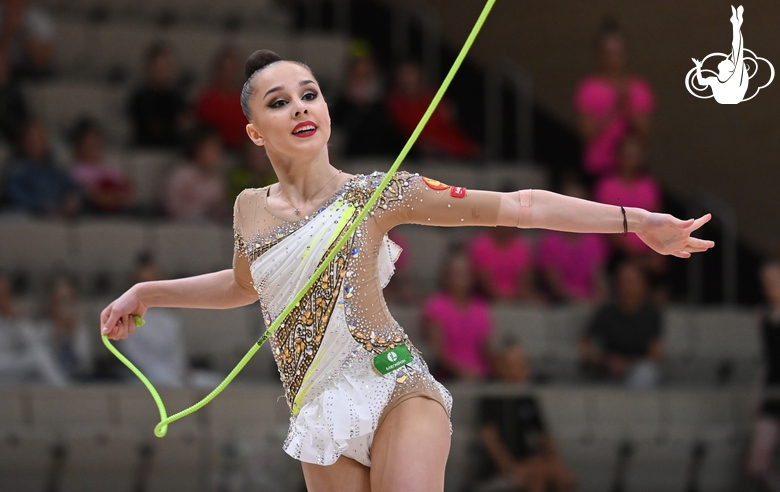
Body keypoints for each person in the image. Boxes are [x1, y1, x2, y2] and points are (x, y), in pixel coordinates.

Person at [100, 49, 713, 491]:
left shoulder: (380, 193)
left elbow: (521, 206)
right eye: (279, 102)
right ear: (255, 131)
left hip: (394, 384)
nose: (301, 108)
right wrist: (148, 292)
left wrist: (636, 220)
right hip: (316, 406)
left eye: (310, 93)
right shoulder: (249, 209)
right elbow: (242, 285)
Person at [476, 342, 576, 492]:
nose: (522, 369)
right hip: (501, 467)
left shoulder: (526, 395)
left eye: (523, 364)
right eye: (514, 364)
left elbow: (544, 436)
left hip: (529, 460)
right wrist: (511, 469)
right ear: (502, 367)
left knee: (562, 477)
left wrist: (556, 463)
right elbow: (490, 439)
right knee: (536, 478)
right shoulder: (492, 396)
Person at [574, 17, 655, 178]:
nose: (613, 59)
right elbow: (586, 133)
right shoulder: (588, 87)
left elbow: (645, 131)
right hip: (598, 170)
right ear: (599, 54)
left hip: (632, 171)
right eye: (608, 53)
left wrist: (628, 107)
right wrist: (613, 109)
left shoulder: (638, 86)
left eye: (618, 52)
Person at [579, 260, 663, 388]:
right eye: (624, 281)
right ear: (617, 283)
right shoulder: (606, 312)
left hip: (637, 368)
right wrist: (604, 361)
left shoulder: (651, 314)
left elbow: (654, 354)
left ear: (644, 284)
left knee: (645, 372)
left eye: (633, 282)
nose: (628, 287)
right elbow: (585, 343)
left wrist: (626, 364)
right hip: (608, 370)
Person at [420, 247, 494, 381]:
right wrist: (462, 372)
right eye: (456, 273)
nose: (460, 278)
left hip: (481, 376)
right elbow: (438, 351)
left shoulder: (480, 307)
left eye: (464, 272)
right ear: (446, 275)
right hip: (448, 377)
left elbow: (486, 350)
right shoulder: (436, 305)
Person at [386, 60, 479, 159]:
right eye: (403, 74)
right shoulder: (394, 103)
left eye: (410, 74)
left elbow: (448, 126)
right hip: (416, 156)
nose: (407, 79)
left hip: (453, 152)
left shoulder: (434, 97)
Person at [537, 178, 609, 304]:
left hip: (589, 304)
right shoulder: (551, 241)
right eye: (569, 205)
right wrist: (579, 300)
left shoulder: (594, 241)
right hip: (560, 305)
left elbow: (598, 280)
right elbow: (555, 285)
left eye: (578, 204)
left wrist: (596, 299)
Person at [745, 260, 780, 491]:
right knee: (757, 465)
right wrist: (758, 392)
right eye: (765, 283)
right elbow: (768, 361)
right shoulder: (764, 317)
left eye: (774, 281)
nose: (769, 287)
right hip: (772, 391)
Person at [330, 54, 405, 157]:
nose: (362, 81)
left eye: (366, 75)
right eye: (357, 75)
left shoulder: (388, 104)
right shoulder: (340, 106)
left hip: (386, 161)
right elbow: (334, 138)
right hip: (350, 165)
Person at [0, 271, 66, 385]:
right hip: (3, 367)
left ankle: (65, 392)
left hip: (8, 372)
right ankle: (68, 394)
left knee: (41, 355)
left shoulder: (8, 318)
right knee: (38, 357)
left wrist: (16, 319)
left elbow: (32, 340)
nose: (5, 298)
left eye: (7, 293)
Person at [3, 119, 81, 216]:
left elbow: (72, 187)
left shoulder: (53, 169)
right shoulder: (18, 171)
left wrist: (71, 200)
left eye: (39, 139)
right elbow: (17, 198)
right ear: (22, 143)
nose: (36, 144)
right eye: (31, 140)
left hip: (57, 215)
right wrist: (43, 207)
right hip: (30, 216)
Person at [127, 43, 189, 148]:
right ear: (149, 67)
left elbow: (183, 125)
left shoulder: (178, 97)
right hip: (145, 151)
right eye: (157, 66)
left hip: (174, 151)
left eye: (166, 66)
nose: (162, 71)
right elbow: (150, 128)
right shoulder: (139, 98)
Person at [164, 125, 229, 222]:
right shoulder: (182, 175)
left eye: (217, 149)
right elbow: (172, 207)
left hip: (209, 229)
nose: (215, 154)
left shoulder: (217, 179)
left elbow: (219, 210)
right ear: (197, 149)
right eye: (210, 149)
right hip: (181, 228)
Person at [70, 118, 134, 214]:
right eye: (89, 145)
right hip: (93, 212)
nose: (94, 149)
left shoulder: (107, 167)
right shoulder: (77, 170)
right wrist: (107, 198)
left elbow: (128, 187)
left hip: (118, 208)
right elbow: (91, 195)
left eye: (96, 143)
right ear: (79, 147)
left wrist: (120, 196)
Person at [40, 274, 93, 382]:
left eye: (68, 301)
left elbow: (86, 364)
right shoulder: (41, 330)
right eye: (60, 301)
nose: (64, 307)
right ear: (51, 304)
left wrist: (72, 334)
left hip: (78, 384)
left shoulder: (81, 332)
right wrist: (57, 333)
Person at [692, 6, 748, 105]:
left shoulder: (734, 77)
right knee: (737, 51)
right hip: (726, 101)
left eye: (728, 61)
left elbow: (737, 48)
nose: (725, 59)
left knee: (737, 50)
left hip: (733, 98)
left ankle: (736, 23)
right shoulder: (714, 80)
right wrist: (698, 67)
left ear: (729, 69)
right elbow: (701, 82)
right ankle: (736, 23)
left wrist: (736, 25)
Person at [195, 46, 247, 149]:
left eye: (231, 70)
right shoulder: (207, 99)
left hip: (241, 153)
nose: (227, 75)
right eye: (224, 70)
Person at [468, 226, 537, 303]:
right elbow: (486, 284)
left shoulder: (522, 246)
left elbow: (524, 282)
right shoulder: (481, 245)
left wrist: (512, 298)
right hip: (486, 301)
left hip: (518, 300)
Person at [0, 0, 56, 82]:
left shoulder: (37, 16)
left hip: (29, 69)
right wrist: (8, 32)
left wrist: (18, 27)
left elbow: (42, 59)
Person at [226, 138, 277, 205]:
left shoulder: (277, 178)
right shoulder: (237, 178)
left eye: (259, 154)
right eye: (253, 154)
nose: (257, 159)